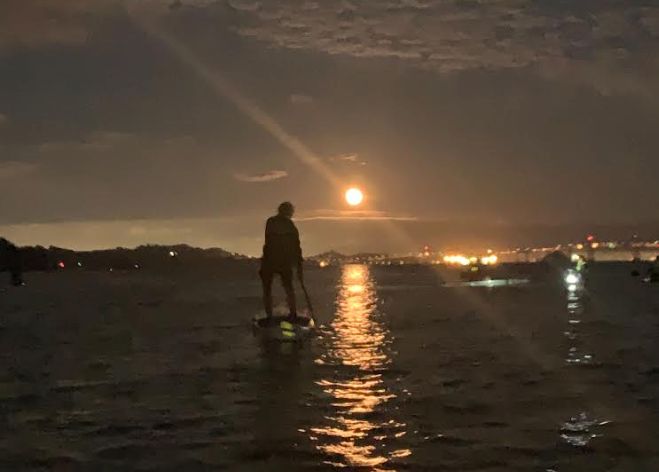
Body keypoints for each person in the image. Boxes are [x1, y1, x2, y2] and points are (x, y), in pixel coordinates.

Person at [260, 201, 303, 321]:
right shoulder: (287, 225)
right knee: (284, 287)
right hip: (277, 261)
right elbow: (296, 247)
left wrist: (298, 265)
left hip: (274, 261)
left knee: (271, 288)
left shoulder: (274, 222)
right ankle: (290, 314)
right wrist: (298, 266)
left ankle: (274, 315)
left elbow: (296, 247)